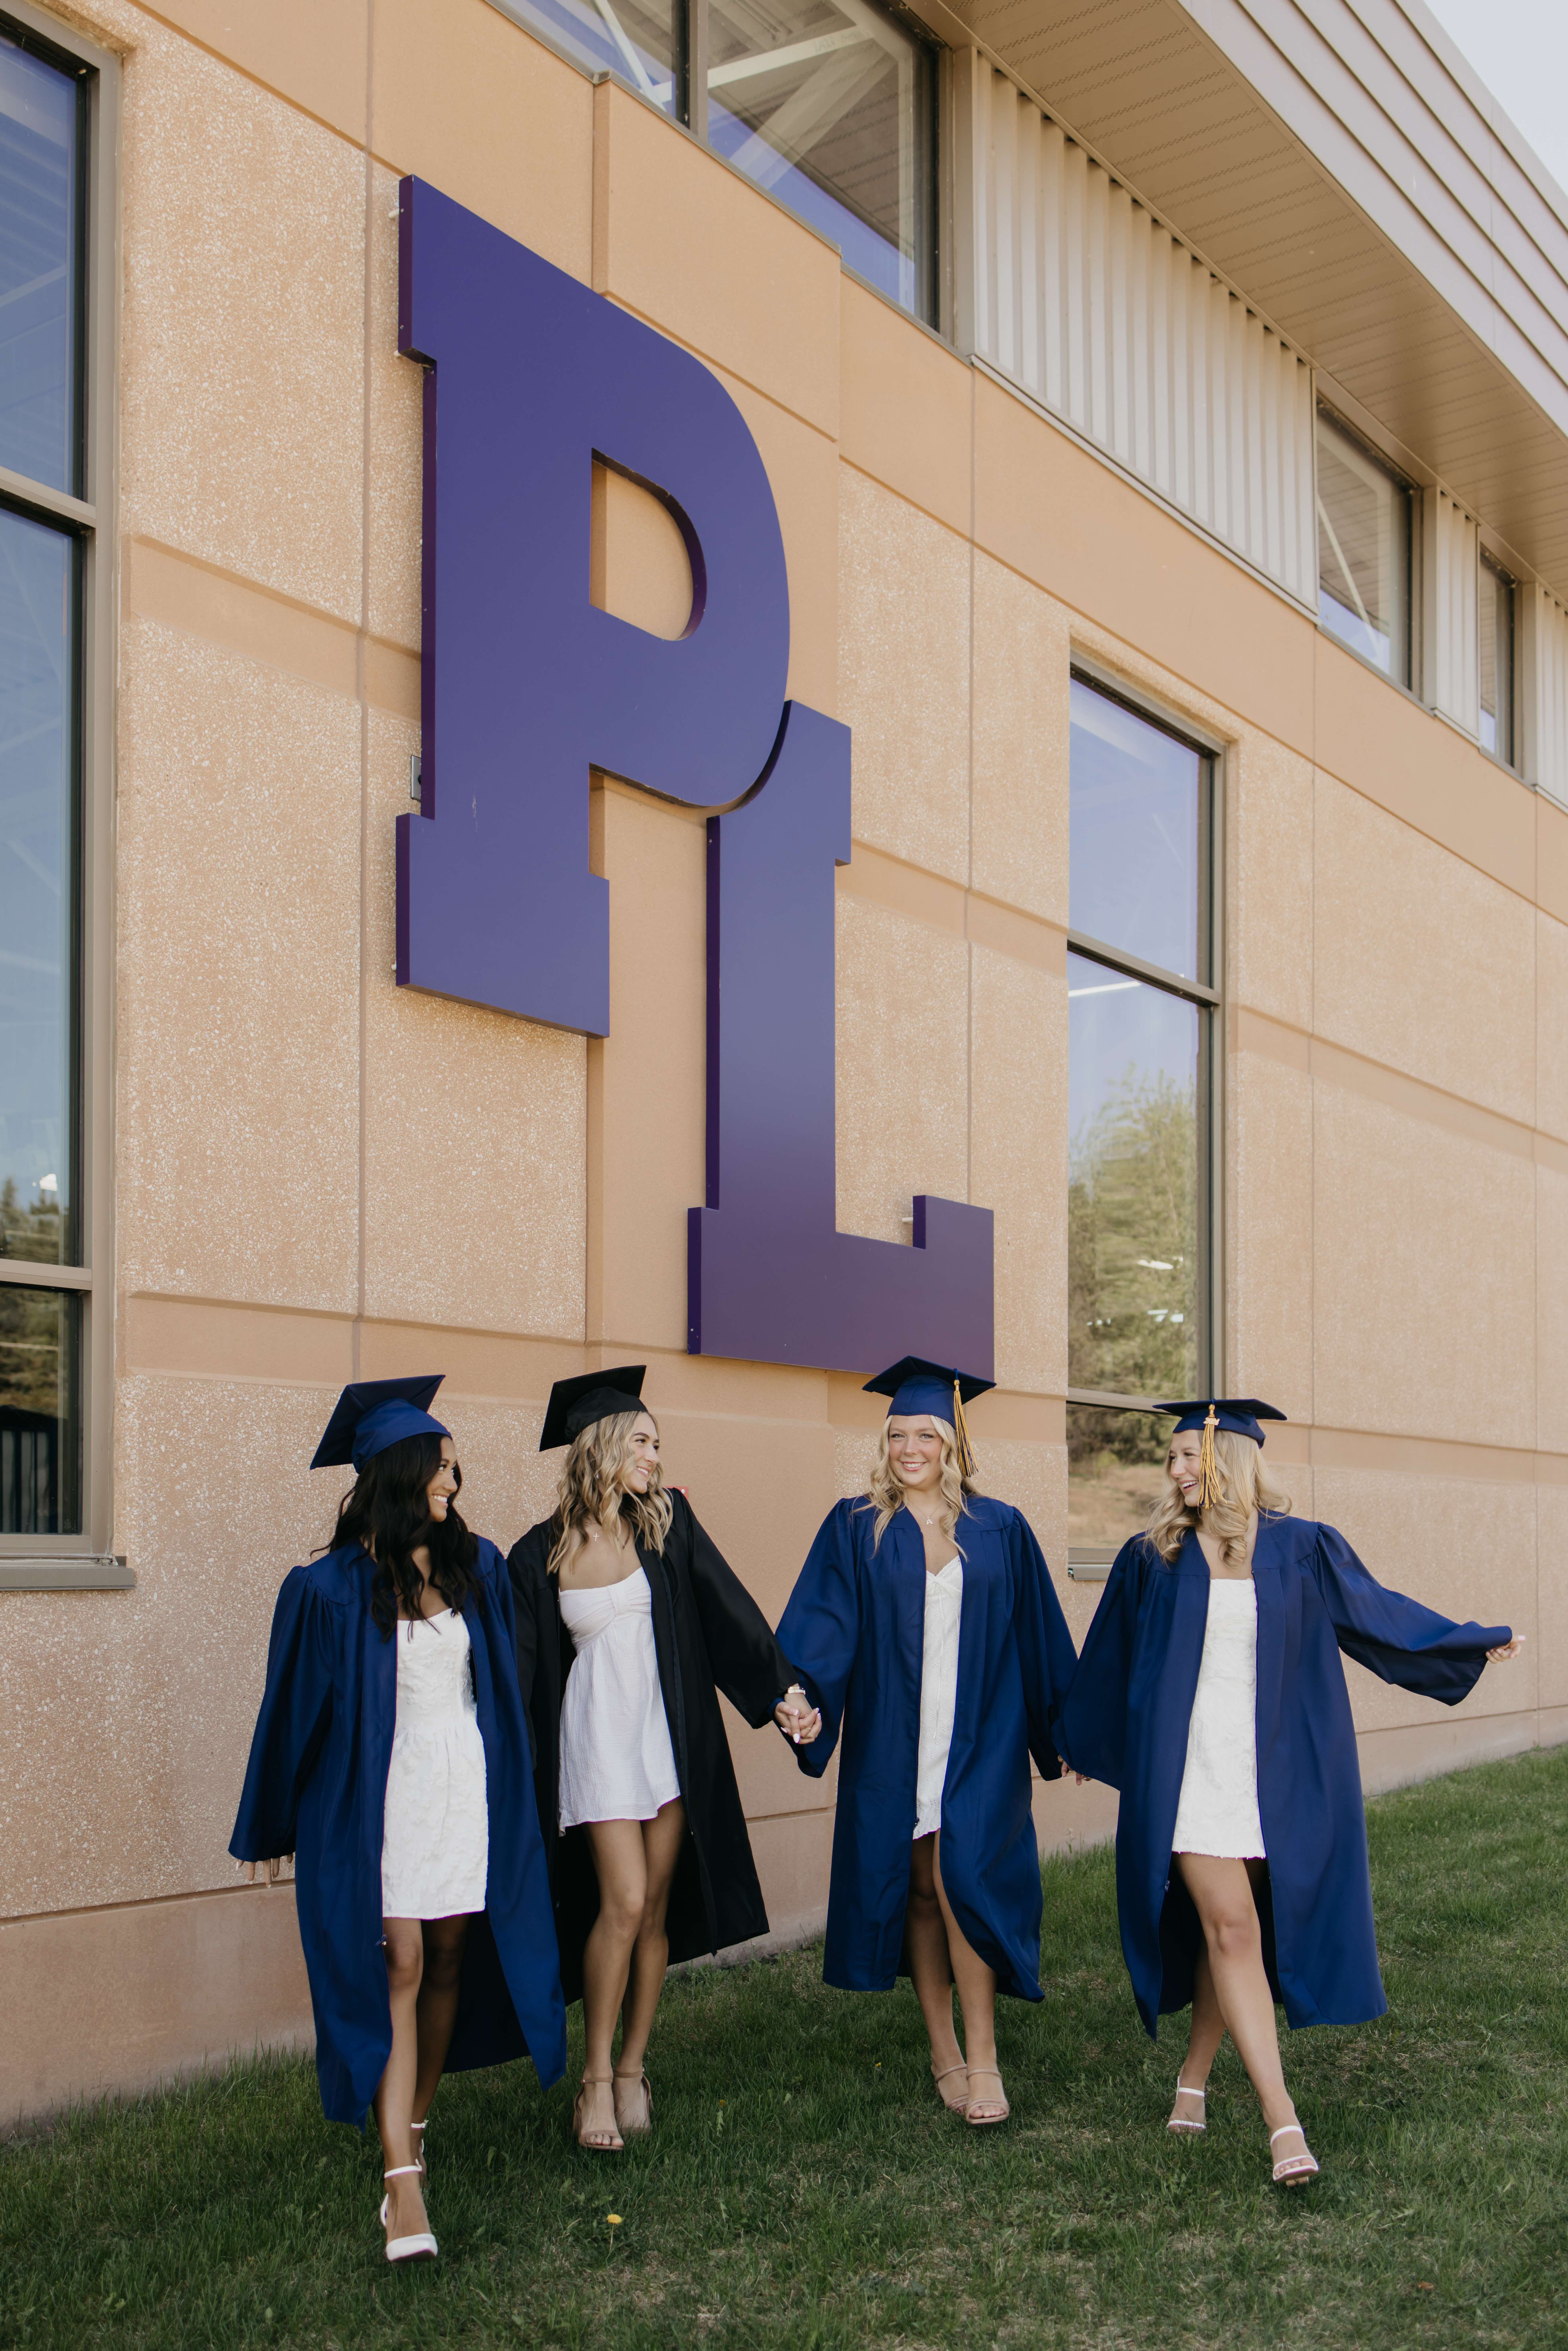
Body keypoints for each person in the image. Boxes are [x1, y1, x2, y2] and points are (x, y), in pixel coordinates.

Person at [1058, 1398, 1524, 2187]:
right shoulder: (1154, 1556)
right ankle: (1284, 2123)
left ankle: (1195, 2076)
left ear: (1229, 1461)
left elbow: (1376, 1617)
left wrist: (1464, 1642)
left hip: (1278, 1769)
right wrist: (1084, 1735)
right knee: (1233, 1926)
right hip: (1192, 1772)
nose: (1173, 1472)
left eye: (1186, 1457)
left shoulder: (1305, 1548)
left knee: (1237, 1933)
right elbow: (1111, 1654)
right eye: (1169, 1459)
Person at [231, 1376, 565, 2263]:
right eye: (440, 1470)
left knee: (451, 1955)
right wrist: (271, 1829)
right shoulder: (325, 1590)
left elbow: (508, 1685)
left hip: (466, 1788)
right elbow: (289, 1714)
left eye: (455, 1470)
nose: (453, 1485)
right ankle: (401, 2187)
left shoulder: (477, 1566)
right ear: (397, 1473)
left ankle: (413, 2125)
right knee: (402, 1963)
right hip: (379, 1799)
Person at [508, 1366, 819, 2153]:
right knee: (622, 1902)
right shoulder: (536, 1554)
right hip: (597, 1745)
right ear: (604, 1447)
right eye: (642, 1441)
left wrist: (781, 1691)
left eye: (657, 1443)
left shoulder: (667, 1527)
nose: (654, 1455)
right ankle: (594, 2078)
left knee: (653, 1908)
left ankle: (635, 2067)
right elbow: (520, 1672)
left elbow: (728, 1613)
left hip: (667, 1737)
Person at [775, 1357, 1078, 2127]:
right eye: (898, 1434)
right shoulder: (855, 1526)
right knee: (917, 1885)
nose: (910, 1448)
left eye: (925, 1435)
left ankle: (984, 2058)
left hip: (982, 1733)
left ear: (952, 1441)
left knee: (964, 1881)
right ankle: (942, 2049)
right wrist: (804, 1701)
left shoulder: (998, 1526)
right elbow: (822, 1627)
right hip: (895, 1737)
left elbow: (1040, 1635)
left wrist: (1063, 1727)